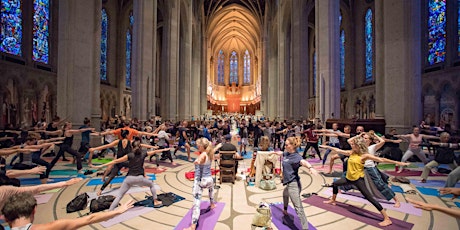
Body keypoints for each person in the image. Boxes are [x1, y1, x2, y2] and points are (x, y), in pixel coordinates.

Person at [321, 136, 410, 227]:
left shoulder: (364, 156)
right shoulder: (351, 153)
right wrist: (328, 147)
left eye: (353, 145)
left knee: (369, 198)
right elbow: (338, 150)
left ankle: (387, 218)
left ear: (358, 146)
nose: (351, 146)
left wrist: (399, 163)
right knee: (335, 184)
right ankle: (333, 200)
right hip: (348, 178)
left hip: (358, 180)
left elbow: (382, 159)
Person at [92, 138, 169, 209]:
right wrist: (165, 149)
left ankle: (109, 212)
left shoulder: (129, 155)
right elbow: (155, 151)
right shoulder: (143, 153)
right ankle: (156, 201)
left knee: (119, 196)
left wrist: (101, 165)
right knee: (151, 185)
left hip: (128, 179)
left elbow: (115, 161)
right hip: (140, 179)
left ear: (132, 147)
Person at [1, 192, 134, 230]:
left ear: (5, 218)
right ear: (34, 210)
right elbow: (90, 219)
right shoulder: (50, 227)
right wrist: (118, 211)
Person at [270, 137, 318, 230]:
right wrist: (275, 153)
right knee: (285, 194)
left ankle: (305, 228)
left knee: (298, 208)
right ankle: (285, 210)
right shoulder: (287, 153)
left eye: (287, 144)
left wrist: (310, 167)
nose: (285, 146)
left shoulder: (296, 157)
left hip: (294, 185)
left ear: (292, 146)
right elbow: (282, 153)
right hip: (289, 183)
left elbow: (303, 162)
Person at [184, 138, 222, 230]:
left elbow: (201, 159)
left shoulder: (203, 154)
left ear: (201, 146)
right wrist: (217, 147)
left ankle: (193, 226)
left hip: (200, 180)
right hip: (209, 180)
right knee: (211, 189)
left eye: (198, 145)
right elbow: (213, 151)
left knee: (196, 203)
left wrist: (197, 161)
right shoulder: (210, 153)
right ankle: (212, 204)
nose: (197, 146)